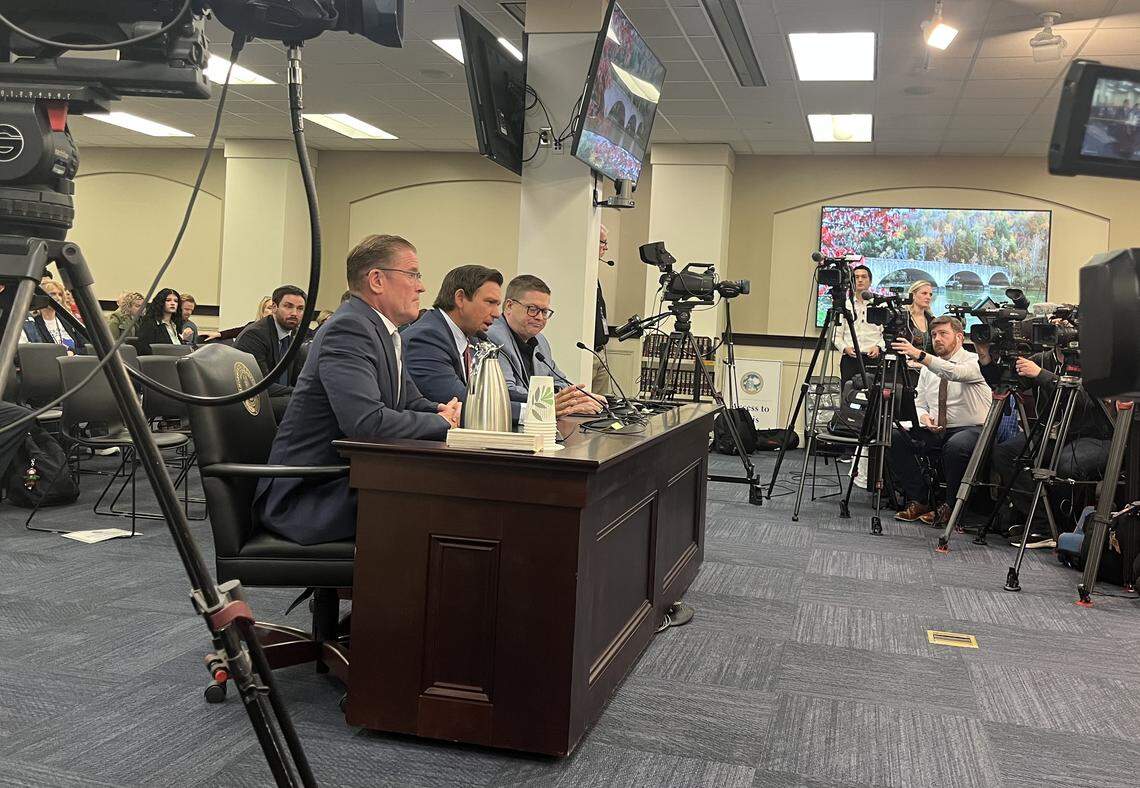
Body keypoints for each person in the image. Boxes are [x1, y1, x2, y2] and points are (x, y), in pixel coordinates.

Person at [255, 234, 460, 545]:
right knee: (450, 503)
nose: (422, 287)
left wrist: (438, 411)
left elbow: (411, 400)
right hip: (309, 496)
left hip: (347, 479)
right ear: (377, 280)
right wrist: (443, 422)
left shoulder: (383, 330)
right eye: (414, 275)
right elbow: (366, 423)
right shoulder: (348, 328)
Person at [990, 343, 1113, 548]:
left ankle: (1063, 528)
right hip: (1051, 432)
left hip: (1094, 435)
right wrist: (987, 359)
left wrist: (1041, 375)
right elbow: (1005, 383)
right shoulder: (1041, 358)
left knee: (1067, 463)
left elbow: (1083, 401)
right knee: (1006, 452)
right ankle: (1040, 523)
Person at [887, 315, 992, 526]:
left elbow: (953, 373)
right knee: (896, 437)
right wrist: (924, 416)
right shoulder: (928, 368)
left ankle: (951, 506)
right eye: (934, 334)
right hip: (937, 429)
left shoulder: (974, 362)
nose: (937, 339)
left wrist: (919, 354)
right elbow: (920, 402)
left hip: (972, 429)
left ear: (960, 337)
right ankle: (920, 499)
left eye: (943, 334)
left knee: (956, 445)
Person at [486, 274, 602, 422]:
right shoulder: (493, 337)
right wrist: (553, 401)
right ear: (509, 306)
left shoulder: (540, 341)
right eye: (532, 309)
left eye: (545, 312)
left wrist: (580, 397)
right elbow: (506, 391)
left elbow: (559, 381)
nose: (540, 317)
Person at [402, 264, 504, 411]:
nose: (497, 313)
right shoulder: (426, 339)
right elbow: (464, 401)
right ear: (460, 298)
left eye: (497, 304)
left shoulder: (474, 338)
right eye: (490, 302)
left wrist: (535, 403)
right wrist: (526, 412)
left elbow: (491, 393)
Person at [235, 285, 308, 421]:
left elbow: (300, 378)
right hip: (251, 402)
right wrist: (301, 393)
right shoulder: (255, 335)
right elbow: (260, 385)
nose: (294, 313)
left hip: (278, 397)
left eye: (300, 309)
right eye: (288, 306)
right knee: (305, 404)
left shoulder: (295, 335)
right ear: (274, 307)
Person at [833, 263, 884, 386]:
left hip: (873, 358)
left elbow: (885, 334)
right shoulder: (845, 306)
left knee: (874, 397)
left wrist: (879, 347)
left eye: (864, 277)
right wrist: (845, 348)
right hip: (850, 360)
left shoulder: (881, 306)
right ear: (851, 281)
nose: (860, 280)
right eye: (856, 277)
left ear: (870, 281)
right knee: (848, 394)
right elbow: (836, 334)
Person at [20, 278, 86, 354]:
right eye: (52, 294)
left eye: (60, 294)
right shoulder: (33, 324)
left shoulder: (69, 320)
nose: (58, 298)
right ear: (41, 297)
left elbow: (86, 347)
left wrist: (73, 352)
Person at [134, 288, 185, 355]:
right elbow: (144, 350)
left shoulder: (175, 325)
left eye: (176, 301)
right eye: (168, 300)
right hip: (161, 362)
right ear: (160, 302)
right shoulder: (150, 324)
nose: (173, 303)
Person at [593, 225, 612, 395]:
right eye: (603, 243)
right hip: (589, 352)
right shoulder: (584, 271)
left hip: (601, 350)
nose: (605, 248)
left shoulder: (595, 273)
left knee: (600, 405)